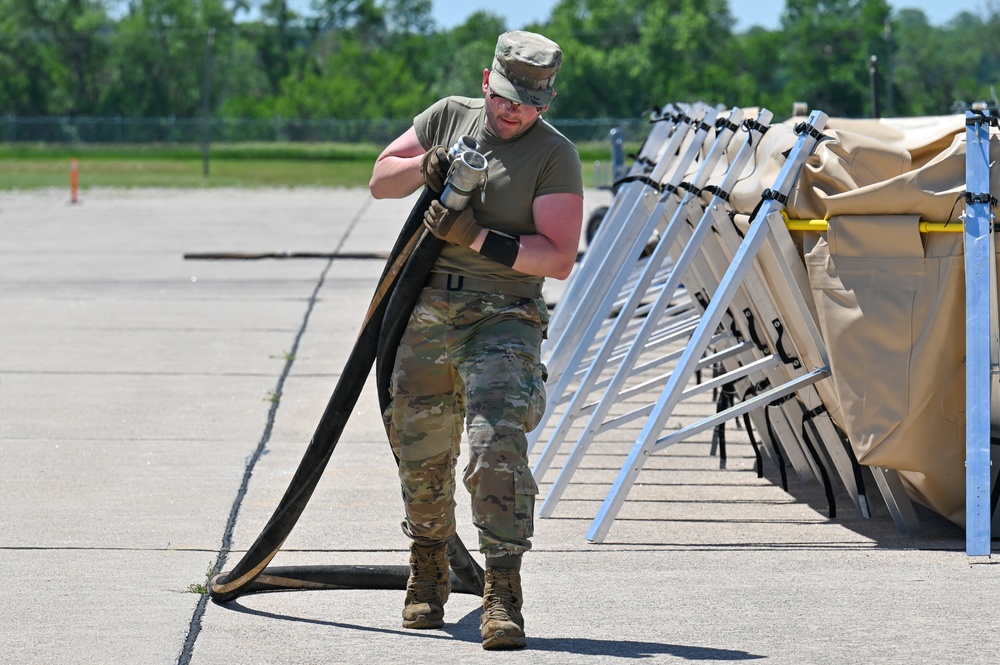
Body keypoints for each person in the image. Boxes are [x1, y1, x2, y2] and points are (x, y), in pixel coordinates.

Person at [368, 30, 583, 650]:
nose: (514, 110)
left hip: (503, 314)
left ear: (546, 102)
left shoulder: (553, 156)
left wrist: (476, 236)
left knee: (495, 443)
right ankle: (428, 567)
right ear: (488, 82)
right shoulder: (448, 118)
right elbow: (381, 180)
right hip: (426, 305)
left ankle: (501, 589)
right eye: (508, 96)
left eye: (531, 102)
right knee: (420, 446)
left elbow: (559, 258)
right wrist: (425, 167)